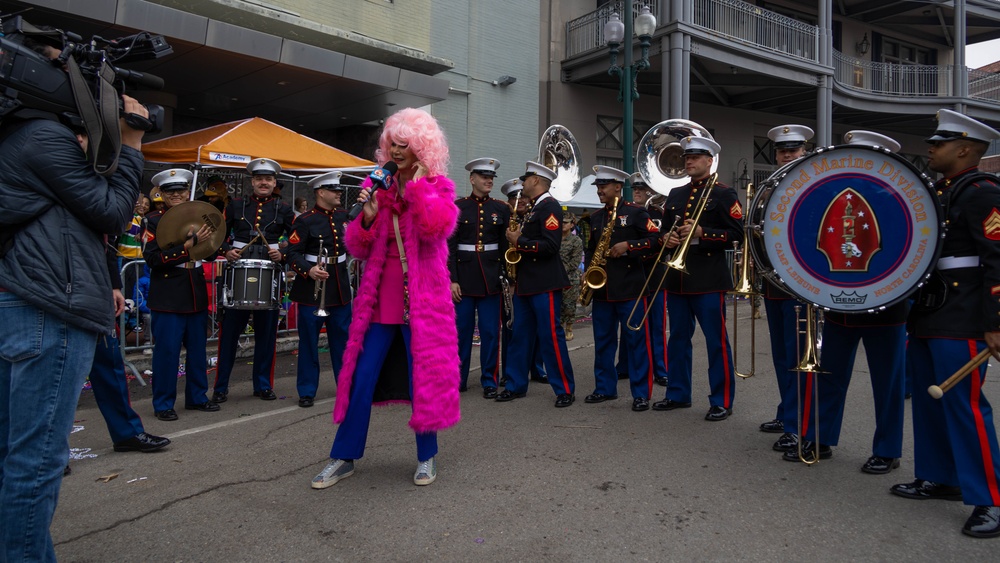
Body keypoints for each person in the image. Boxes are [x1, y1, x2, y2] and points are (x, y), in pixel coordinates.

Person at [0, 69, 147, 562]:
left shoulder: (19, 136)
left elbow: (78, 222)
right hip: (47, 308)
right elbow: (110, 211)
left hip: (29, 299)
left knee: (16, 457)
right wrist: (128, 142)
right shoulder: (40, 135)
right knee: (36, 461)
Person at [311, 107, 460, 489]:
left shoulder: (438, 186)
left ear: (421, 149)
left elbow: (434, 229)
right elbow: (359, 248)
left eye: (405, 145)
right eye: (392, 143)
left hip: (423, 300)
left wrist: (420, 189)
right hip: (380, 299)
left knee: (421, 379)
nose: (396, 151)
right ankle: (343, 457)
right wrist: (366, 215)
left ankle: (427, 456)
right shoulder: (379, 185)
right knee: (360, 380)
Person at [891, 109, 1000, 538]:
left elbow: (997, 260)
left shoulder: (984, 192)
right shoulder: (940, 190)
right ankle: (941, 477)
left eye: (941, 142)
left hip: (964, 314)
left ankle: (989, 499)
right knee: (930, 400)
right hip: (931, 310)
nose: (932, 148)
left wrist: (996, 321)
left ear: (966, 149)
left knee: (966, 407)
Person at [782, 131, 907, 470]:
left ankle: (887, 449)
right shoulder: (830, 194)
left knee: (888, 382)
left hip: (886, 305)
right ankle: (819, 438)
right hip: (838, 303)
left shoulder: (894, 198)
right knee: (829, 376)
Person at [652, 136, 742, 421]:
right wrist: (665, 238)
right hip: (678, 280)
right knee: (677, 338)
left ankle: (722, 400)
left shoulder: (724, 194)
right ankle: (678, 393)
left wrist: (705, 233)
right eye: (686, 157)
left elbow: (738, 235)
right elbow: (664, 232)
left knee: (716, 341)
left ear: (709, 160)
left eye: (695, 157)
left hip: (708, 279)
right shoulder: (676, 194)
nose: (688, 161)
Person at [213, 158, 294, 403]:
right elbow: (218, 234)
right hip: (238, 270)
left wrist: (283, 253)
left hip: (269, 273)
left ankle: (262, 385)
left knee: (266, 335)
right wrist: (226, 249)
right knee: (229, 335)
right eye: (259, 178)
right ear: (252, 181)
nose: (263, 183)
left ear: (274, 183)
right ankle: (220, 387)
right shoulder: (236, 205)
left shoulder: (284, 209)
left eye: (268, 179)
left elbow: (297, 240)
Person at [143, 169, 221, 421]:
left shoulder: (198, 214)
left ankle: (197, 397)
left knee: (198, 350)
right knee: (167, 353)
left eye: (181, 190)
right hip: (168, 293)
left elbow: (209, 251)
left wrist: (214, 244)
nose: (176, 195)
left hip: (194, 290)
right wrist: (185, 248)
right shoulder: (154, 220)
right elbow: (153, 259)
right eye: (170, 191)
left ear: (188, 192)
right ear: (161, 194)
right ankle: (164, 403)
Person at [497, 161, 576, 407]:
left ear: (536, 180)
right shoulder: (534, 208)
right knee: (520, 336)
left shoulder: (549, 207)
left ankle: (564, 389)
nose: (522, 183)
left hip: (544, 283)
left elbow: (551, 246)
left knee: (551, 336)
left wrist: (519, 241)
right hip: (527, 283)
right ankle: (515, 384)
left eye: (526, 179)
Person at [582, 166, 658, 411]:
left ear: (618, 186)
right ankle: (604, 388)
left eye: (604, 186)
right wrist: (587, 272)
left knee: (637, 342)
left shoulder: (637, 213)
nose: (599, 190)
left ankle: (641, 394)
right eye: (598, 187)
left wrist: (629, 246)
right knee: (602, 341)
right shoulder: (595, 217)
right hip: (603, 290)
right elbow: (591, 248)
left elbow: (658, 239)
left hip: (631, 289)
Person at [759, 124, 814, 452]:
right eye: (782, 151)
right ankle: (787, 412)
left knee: (798, 357)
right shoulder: (769, 189)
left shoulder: (812, 187)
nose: (786, 156)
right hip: (773, 283)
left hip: (800, 285)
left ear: (803, 152)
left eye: (792, 151)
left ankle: (799, 424)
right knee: (781, 356)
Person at [91, 243, 171, 452]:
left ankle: (126, 433)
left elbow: (105, 247)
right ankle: (45, 450)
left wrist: (114, 285)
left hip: (95, 290)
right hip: (53, 291)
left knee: (110, 366)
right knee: (53, 378)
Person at [285, 171, 353, 408]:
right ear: (320, 192)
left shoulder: (345, 216)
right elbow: (291, 253)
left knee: (343, 341)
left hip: (339, 285)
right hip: (311, 288)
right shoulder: (305, 220)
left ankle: (346, 387)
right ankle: (306, 390)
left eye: (339, 190)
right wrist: (309, 270)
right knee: (308, 342)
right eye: (334, 190)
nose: (338, 194)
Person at [449, 158, 511, 397]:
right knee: (461, 332)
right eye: (484, 177)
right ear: (472, 178)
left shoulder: (501, 208)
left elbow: (506, 247)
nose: (488, 181)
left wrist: (506, 277)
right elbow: (450, 247)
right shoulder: (457, 207)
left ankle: (489, 380)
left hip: (491, 278)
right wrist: (452, 279)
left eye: (491, 178)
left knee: (490, 332)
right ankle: (458, 379)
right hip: (463, 279)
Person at [500, 178, 547, 384]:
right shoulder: (501, 220)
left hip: (531, 278)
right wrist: (508, 280)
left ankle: (537, 368)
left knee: (536, 328)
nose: (520, 201)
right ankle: (509, 373)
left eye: (523, 197)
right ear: (508, 201)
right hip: (508, 281)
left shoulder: (533, 218)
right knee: (511, 328)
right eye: (514, 198)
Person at [631, 173, 669, 387]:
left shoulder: (658, 213)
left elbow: (662, 240)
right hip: (633, 274)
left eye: (642, 188)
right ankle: (629, 366)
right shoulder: (627, 211)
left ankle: (661, 369)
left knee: (657, 326)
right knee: (633, 325)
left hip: (655, 274)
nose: (637, 192)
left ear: (651, 191)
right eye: (635, 188)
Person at [559, 210, 583, 340]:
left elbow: (575, 261)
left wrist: (560, 271)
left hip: (570, 278)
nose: (562, 225)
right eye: (561, 222)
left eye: (565, 223)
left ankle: (569, 327)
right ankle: (559, 326)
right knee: (558, 305)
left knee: (569, 305)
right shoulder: (554, 239)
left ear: (572, 225)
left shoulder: (576, 241)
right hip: (555, 278)